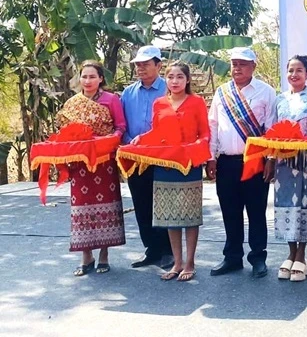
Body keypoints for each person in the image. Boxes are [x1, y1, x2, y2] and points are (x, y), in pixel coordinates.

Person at [207, 47, 277, 278]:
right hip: (226, 161)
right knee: (230, 211)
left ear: (253, 67)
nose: (237, 68)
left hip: (256, 161)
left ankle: (258, 257)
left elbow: (271, 128)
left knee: (256, 211)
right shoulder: (222, 92)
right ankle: (232, 257)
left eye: (243, 64)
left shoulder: (266, 92)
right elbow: (213, 126)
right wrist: (211, 158)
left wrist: (270, 159)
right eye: (234, 63)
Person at [61, 61, 127, 276]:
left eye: (92, 77)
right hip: (79, 164)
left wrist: (109, 140)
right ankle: (86, 256)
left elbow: (120, 127)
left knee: (105, 204)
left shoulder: (111, 100)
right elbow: (64, 132)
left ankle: (104, 255)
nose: (87, 81)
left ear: (100, 79)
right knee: (81, 206)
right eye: (84, 76)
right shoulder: (72, 103)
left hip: (103, 161)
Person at [149, 62, 211, 282]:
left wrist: (197, 149)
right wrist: (140, 141)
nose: (174, 81)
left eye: (179, 77)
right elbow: (154, 134)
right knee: (170, 216)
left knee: (189, 216)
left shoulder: (197, 102)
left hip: (189, 166)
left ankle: (190, 262)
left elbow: (205, 133)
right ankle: (177, 262)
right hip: (165, 165)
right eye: (170, 77)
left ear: (187, 80)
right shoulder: (158, 104)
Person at [274, 55, 307, 283]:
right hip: (283, 162)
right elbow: (273, 130)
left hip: (305, 161)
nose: (294, 74)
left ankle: (302, 255)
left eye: (299, 70)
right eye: (291, 70)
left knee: (304, 203)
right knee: (287, 204)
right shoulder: (280, 100)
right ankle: (290, 252)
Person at [120, 45, 172, 269]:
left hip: (162, 156)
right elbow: (121, 124)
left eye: (146, 64)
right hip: (135, 158)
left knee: (164, 203)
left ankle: (169, 250)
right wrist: (130, 141)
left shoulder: (169, 90)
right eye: (137, 65)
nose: (140, 68)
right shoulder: (128, 93)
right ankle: (151, 248)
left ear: (158, 65)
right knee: (141, 204)